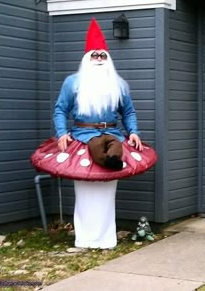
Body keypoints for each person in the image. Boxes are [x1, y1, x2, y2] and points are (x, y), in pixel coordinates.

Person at [52, 18, 143, 249]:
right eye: (95, 55)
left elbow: (129, 111)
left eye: (103, 55)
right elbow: (60, 110)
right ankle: (85, 238)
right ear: (86, 58)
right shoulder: (72, 82)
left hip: (113, 135)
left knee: (106, 188)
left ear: (108, 59)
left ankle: (105, 239)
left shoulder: (118, 84)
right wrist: (62, 133)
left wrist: (133, 132)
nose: (99, 59)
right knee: (84, 189)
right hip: (82, 138)